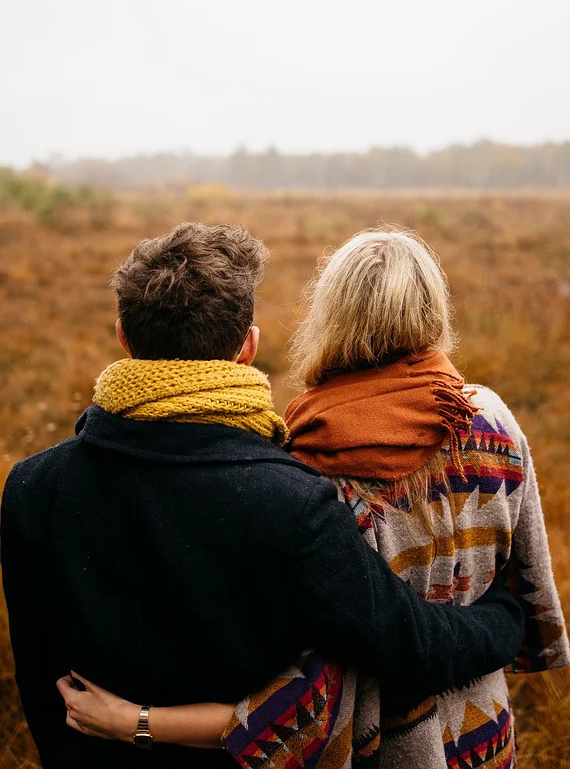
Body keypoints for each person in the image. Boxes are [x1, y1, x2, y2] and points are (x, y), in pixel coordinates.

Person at [1, 223, 525, 769]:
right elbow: (410, 644)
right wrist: (506, 619)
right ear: (248, 346)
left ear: (124, 337)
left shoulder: (31, 487)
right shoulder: (293, 500)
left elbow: (39, 686)